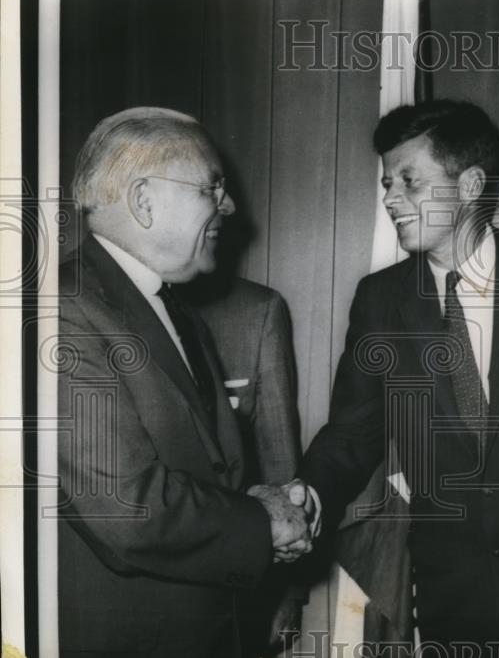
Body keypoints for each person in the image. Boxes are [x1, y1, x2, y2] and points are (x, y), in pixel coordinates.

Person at [57, 107, 316, 658]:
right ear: (145, 201)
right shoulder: (63, 314)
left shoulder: (169, 307)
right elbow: (127, 506)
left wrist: (255, 503)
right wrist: (260, 524)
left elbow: (205, 470)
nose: (230, 205)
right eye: (212, 186)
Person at [299, 100, 499, 649]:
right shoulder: (380, 300)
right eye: (387, 182)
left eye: (410, 182)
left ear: (468, 185)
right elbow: (354, 430)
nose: (391, 199)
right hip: (453, 596)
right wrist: (307, 493)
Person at [189, 276, 306, 655]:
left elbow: (280, 461)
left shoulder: (256, 310)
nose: (227, 210)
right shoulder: (78, 293)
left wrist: (289, 590)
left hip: (232, 589)